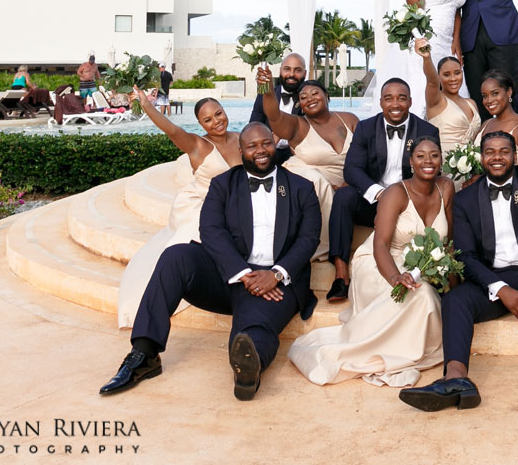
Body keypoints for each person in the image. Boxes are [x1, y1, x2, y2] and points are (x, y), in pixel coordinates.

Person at [100, 123, 321, 400]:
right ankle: (144, 354)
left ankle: (247, 370)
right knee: (176, 256)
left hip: (276, 282)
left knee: (252, 330)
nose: (261, 151)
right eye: (252, 146)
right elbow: (211, 231)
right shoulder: (223, 184)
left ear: (274, 145)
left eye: (265, 143)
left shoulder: (301, 188)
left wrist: (276, 274)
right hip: (229, 275)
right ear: (241, 151)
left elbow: (309, 238)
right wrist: (241, 273)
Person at [398, 131, 518, 411]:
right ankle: (457, 378)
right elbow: (467, 257)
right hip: (494, 281)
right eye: (490, 152)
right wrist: (502, 289)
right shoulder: (465, 199)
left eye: (504, 151)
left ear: (514, 155)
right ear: (481, 157)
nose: (497, 157)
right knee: (454, 299)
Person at [288, 137, 452, 387]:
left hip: (422, 264)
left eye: (434, 155)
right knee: (423, 296)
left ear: (441, 160)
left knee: (424, 292)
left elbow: (451, 239)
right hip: (381, 263)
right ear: (410, 162)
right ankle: (381, 349)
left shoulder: (447, 187)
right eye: (420, 156)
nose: (427, 161)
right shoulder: (396, 193)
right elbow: (380, 245)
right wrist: (396, 277)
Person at [116, 93, 243, 328]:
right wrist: (148, 106)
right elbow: (172, 130)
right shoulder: (198, 145)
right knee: (198, 233)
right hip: (201, 202)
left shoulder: (240, 138)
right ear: (200, 124)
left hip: (234, 202)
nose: (216, 121)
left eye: (218, 113)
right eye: (208, 120)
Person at [327, 78, 439, 302]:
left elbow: (432, 170)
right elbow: (352, 169)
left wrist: (401, 198)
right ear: (380, 103)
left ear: (410, 101)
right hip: (374, 199)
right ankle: (341, 275)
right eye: (389, 98)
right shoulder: (366, 128)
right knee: (343, 196)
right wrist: (379, 193)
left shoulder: (427, 130)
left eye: (401, 98)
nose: (395, 104)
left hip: (409, 204)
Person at [256, 69, 359, 262]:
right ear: (300, 105)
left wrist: (349, 184)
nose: (310, 99)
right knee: (313, 179)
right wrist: (268, 90)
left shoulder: (349, 119)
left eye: (315, 93)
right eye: (303, 97)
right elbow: (274, 116)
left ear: (326, 96)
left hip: (348, 186)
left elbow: (366, 154)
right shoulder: (297, 125)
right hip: (312, 182)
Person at [414, 40, 481, 162]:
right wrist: (426, 58)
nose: (453, 79)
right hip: (445, 167)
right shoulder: (436, 101)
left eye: (457, 73)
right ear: (439, 77)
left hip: (472, 170)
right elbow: (431, 81)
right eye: (446, 74)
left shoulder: (471, 103)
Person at [476, 70, 518, 171]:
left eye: (495, 93)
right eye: (485, 96)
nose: (489, 100)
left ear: (509, 92)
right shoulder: (486, 124)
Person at [249, 53, 307, 164]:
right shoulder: (264, 95)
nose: (291, 74)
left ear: (305, 73)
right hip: (267, 154)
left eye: (297, 70)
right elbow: (254, 125)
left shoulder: (309, 98)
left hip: (297, 155)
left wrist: (282, 132)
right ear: (280, 71)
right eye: (287, 69)